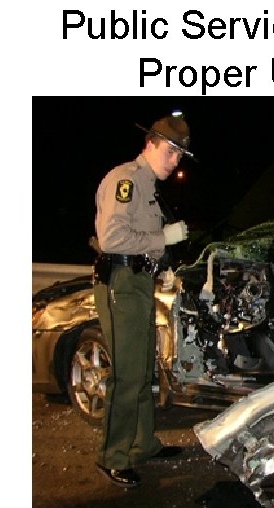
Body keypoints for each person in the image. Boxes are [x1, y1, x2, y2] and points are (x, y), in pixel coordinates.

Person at [92, 114, 193, 488]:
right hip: (120, 284)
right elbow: (112, 239)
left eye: (179, 156)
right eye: (170, 152)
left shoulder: (148, 187)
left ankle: (142, 444)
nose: (174, 161)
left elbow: (139, 239)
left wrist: (160, 264)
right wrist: (163, 238)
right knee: (127, 373)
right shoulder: (127, 181)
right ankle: (113, 455)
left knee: (143, 369)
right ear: (150, 144)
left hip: (138, 282)